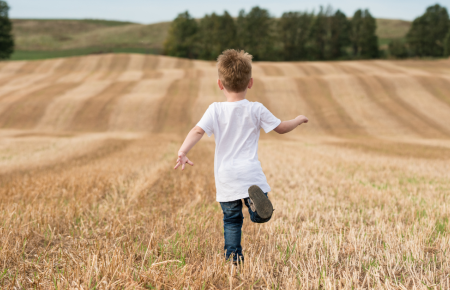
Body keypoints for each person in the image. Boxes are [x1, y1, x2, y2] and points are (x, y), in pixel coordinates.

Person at [174, 49, 308, 264]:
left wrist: (183, 151)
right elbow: (281, 128)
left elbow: (197, 131)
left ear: (220, 84)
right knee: (258, 212)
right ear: (250, 82)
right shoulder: (256, 109)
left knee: (232, 220)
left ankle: (233, 258)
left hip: (226, 176)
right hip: (250, 174)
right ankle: (258, 212)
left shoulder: (215, 109)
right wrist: (299, 119)